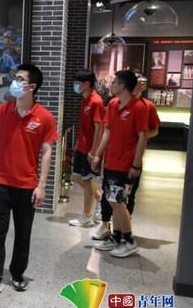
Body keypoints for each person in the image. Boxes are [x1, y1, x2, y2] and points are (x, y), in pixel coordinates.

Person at [0, 64, 58, 295]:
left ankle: (17, 274)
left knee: (23, 234)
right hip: (0, 183)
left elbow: (47, 152)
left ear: (32, 86)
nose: (14, 82)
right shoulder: (2, 111)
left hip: (27, 185)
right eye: (14, 78)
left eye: (19, 79)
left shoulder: (44, 117)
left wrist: (42, 185)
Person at [93, 71, 159, 242]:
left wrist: (136, 165)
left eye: (114, 82)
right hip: (111, 162)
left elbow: (144, 136)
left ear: (123, 86)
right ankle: (116, 236)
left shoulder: (140, 107)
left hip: (125, 163)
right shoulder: (113, 104)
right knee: (112, 200)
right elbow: (107, 132)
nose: (111, 84)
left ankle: (128, 240)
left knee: (119, 201)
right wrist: (98, 155)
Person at [68, 70, 105, 227]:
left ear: (87, 84)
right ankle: (100, 199)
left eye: (78, 83)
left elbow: (99, 129)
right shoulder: (85, 100)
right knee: (76, 177)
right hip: (82, 147)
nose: (75, 85)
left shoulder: (96, 101)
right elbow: (85, 127)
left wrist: (94, 151)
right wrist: (78, 142)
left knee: (87, 180)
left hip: (90, 149)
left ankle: (87, 216)